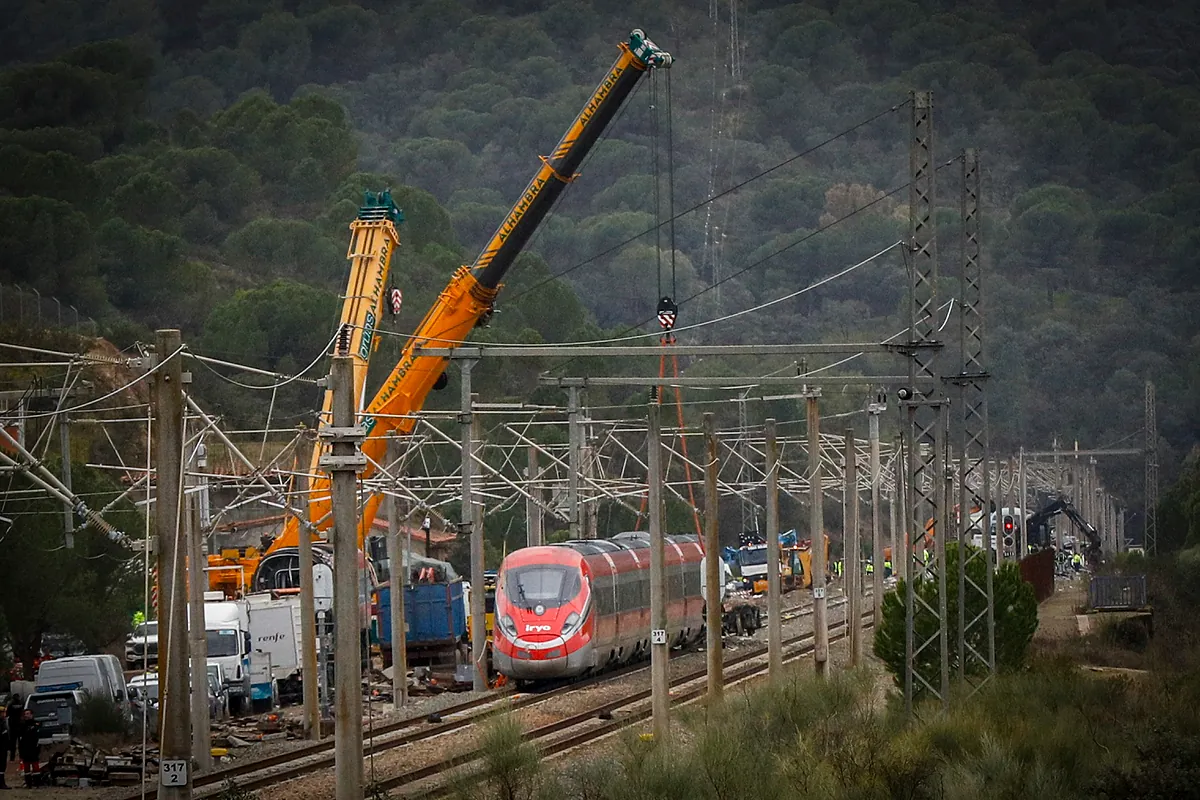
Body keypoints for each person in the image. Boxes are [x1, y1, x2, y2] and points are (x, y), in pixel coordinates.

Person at [17, 709, 40, 787]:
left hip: (34, 748)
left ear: (31, 715)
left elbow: (38, 735)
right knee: (26, 767)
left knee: (35, 766)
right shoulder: (22, 725)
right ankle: (28, 783)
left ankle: (37, 783)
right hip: (25, 749)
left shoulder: (36, 724)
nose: (26, 715)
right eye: (25, 714)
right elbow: (20, 737)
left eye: (28, 714)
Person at [3, 696, 18, 764]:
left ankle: (12, 758)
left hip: (12, 726)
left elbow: (7, 714)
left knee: (13, 743)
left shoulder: (10, 704)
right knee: (20, 742)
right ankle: (21, 757)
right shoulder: (20, 703)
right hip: (19, 725)